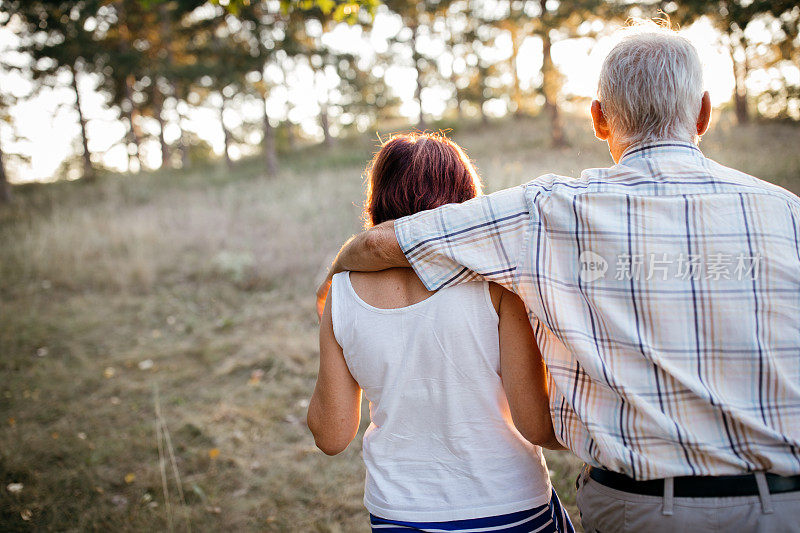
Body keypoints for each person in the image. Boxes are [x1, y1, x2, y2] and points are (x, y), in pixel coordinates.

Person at [315, 22, 800, 532]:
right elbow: (532, 421)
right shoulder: (789, 214)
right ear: (703, 112)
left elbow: (385, 243)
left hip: (640, 508)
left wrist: (334, 276)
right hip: (784, 502)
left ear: (598, 118)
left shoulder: (545, 214)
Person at [307, 132, 575, 533]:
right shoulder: (495, 283)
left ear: (376, 201)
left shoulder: (339, 292)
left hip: (400, 512)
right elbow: (535, 425)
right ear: (465, 202)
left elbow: (330, 436)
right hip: (508, 502)